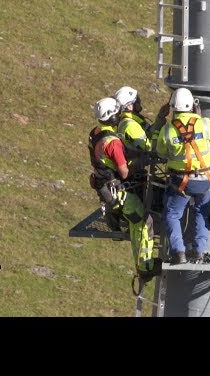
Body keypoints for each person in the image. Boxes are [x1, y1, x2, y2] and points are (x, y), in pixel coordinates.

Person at [88, 97, 158, 281]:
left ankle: (115, 217)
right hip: (118, 192)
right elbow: (125, 172)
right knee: (143, 222)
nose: (121, 116)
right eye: (117, 113)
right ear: (111, 117)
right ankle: (145, 266)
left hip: (106, 190)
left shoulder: (95, 133)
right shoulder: (113, 143)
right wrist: (141, 161)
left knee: (135, 221)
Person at [156, 88, 210, 264]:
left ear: (172, 108)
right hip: (207, 180)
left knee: (172, 214)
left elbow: (161, 152)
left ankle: (179, 252)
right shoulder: (206, 124)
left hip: (182, 183)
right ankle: (199, 251)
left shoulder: (168, 130)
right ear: (192, 105)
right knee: (202, 210)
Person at [113, 86, 170, 165]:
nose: (139, 101)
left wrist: (160, 117)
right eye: (137, 100)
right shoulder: (130, 125)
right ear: (129, 106)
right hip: (134, 169)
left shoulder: (132, 120)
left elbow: (148, 133)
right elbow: (149, 148)